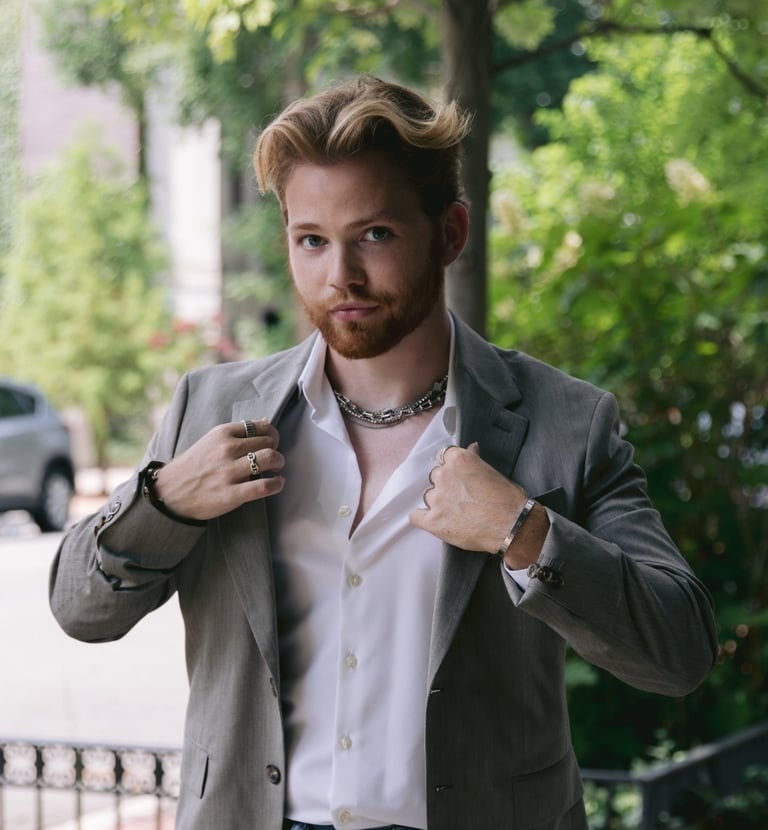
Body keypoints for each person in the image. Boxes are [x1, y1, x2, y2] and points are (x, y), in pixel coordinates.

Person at [50, 76, 718, 830]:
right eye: (312, 241)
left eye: (374, 235)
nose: (341, 276)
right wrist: (166, 501)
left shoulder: (566, 421)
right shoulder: (207, 409)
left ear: (451, 234)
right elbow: (80, 610)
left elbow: (680, 651)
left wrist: (525, 533)